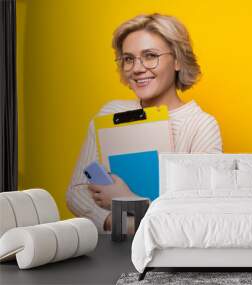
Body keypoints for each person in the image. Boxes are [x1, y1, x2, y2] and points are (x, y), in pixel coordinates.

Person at [66, 13, 223, 234]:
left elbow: (195, 214)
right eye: (128, 59)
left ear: (177, 60)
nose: (137, 68)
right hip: (111, 253)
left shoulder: (201, 126)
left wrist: (126, 200)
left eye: (150, 56)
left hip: (168, 261)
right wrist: (120, 223)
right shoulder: (110, 113)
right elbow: (77, 192)